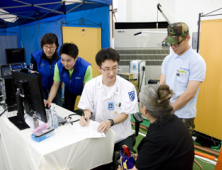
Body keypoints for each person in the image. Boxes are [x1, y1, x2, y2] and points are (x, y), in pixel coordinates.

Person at [118, 84, 194, 170]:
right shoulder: (172, 120)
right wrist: (144, 157)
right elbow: (162, 150)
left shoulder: (158, 136)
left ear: (144, 109)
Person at [78, 48, 139, 152]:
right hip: (98, 132)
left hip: (121, 134)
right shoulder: (90, 85)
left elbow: (125, 114)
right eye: (106, 69)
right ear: (99, 68)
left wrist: (110, 122)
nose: (111, 73)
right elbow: (87, 108)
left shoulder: (128, 87)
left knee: (127, 162)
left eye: (114, 68)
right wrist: (86, 116)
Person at [159, 22, 206, 135]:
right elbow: (162, 84)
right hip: (166, 112)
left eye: (176, 43)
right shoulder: (168, 59)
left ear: (188, 38)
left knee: (181, 151)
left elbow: (190, 93)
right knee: (165, 147)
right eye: (171, 44)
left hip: (184, 117)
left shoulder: (196, 61)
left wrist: (170, 109)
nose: (173, 47)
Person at [44, 43, 92, 111]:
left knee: (86, 110)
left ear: (76, 58)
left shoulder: (86, 67)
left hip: (83, 90)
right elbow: (55, 85)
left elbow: (86, 90)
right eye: (63, 60)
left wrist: (86, 108)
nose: (65, 63)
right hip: (69, 89)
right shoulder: (58, 66)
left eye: (68, 60)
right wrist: (49, 100)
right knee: (68, 110)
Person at [30, 33, 62, 106]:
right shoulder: (35, 56)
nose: (48, 50)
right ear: (42, 46)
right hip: (42, 85)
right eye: (45, 46)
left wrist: (62, 83)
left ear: (56, 46)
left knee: (58, 106)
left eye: (51, 47)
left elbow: (62, 72)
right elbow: (33, 74)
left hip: (56, 84)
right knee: (42, 105)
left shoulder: (61, 58)